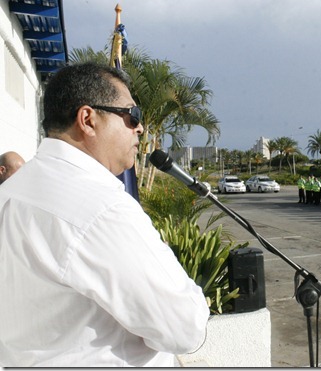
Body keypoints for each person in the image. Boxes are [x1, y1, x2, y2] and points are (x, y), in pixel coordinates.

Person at [0, 63, 209, 367]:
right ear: (87, 119)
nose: (139, 127)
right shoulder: (101, 208)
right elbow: (185, 328)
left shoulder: (12, 191)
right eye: (131, 115)